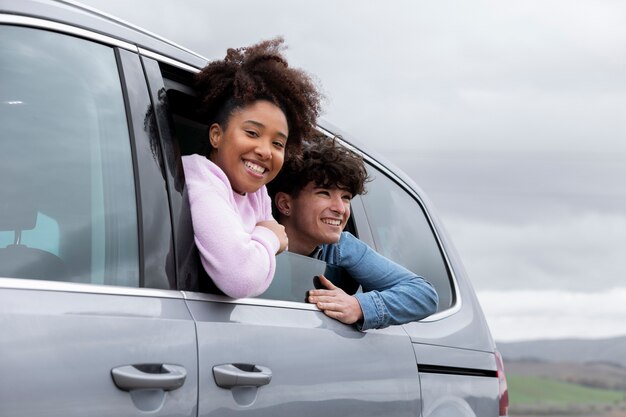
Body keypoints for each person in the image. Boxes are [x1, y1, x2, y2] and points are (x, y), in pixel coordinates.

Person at [183, 38, 321, 298]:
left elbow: (256, 274)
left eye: (277, 143)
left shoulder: (258, 194)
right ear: (216, 135)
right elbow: (243, 278)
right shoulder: (200, 178)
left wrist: (262, 243)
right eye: (252, 132)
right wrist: (269, 237)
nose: (265, 150)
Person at [268, 138, 439, 330]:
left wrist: (359, 306)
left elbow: (424, 294)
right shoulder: (255, 237)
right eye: (324, 193)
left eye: (346, 197)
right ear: (285, 204)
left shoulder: (341, 246)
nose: (340, 208)